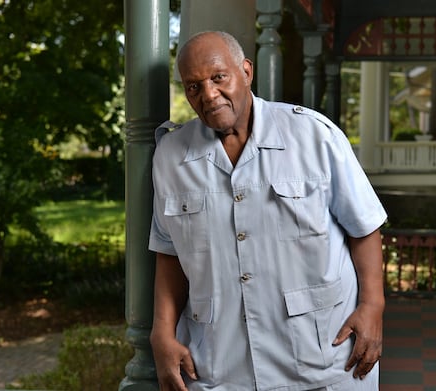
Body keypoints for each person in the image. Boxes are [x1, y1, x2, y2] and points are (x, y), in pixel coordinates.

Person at [148, 30, 387, 391]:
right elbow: (169, 252)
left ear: (246, 71)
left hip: (321, 358)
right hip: (221, 364)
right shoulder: (171, 156)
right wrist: (161, 333)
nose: (209, 95)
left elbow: (363, 226)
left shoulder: (313, 136)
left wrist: (373, 306)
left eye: (218, 78)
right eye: (193, 86)